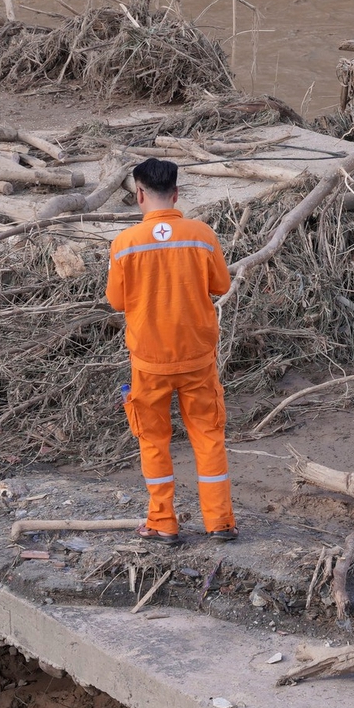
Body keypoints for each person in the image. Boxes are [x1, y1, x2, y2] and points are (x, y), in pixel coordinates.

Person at [105, 157, 236, 545]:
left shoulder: (124, 243)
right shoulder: (202, 235)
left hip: (149, 363)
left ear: (139, 194)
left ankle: (162, 523)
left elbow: (116, 302)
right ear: (176, 193)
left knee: (153, 440)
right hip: (198, 358)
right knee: (208, 436)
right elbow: (222, 286)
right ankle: (220, 523)